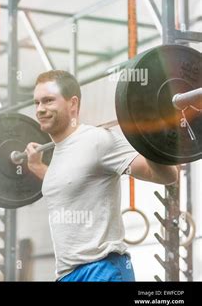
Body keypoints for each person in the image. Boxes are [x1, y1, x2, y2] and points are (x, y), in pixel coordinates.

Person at [25, 70, 178, 282]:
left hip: (102, 269)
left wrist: (150, 133)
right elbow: (68, 184)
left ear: (73, 104)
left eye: (49, 101)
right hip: (67, 274)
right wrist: (36, 166)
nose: (40, 109)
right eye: (37, 103)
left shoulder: (98, 140)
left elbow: (166, 175)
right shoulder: (59, 154)